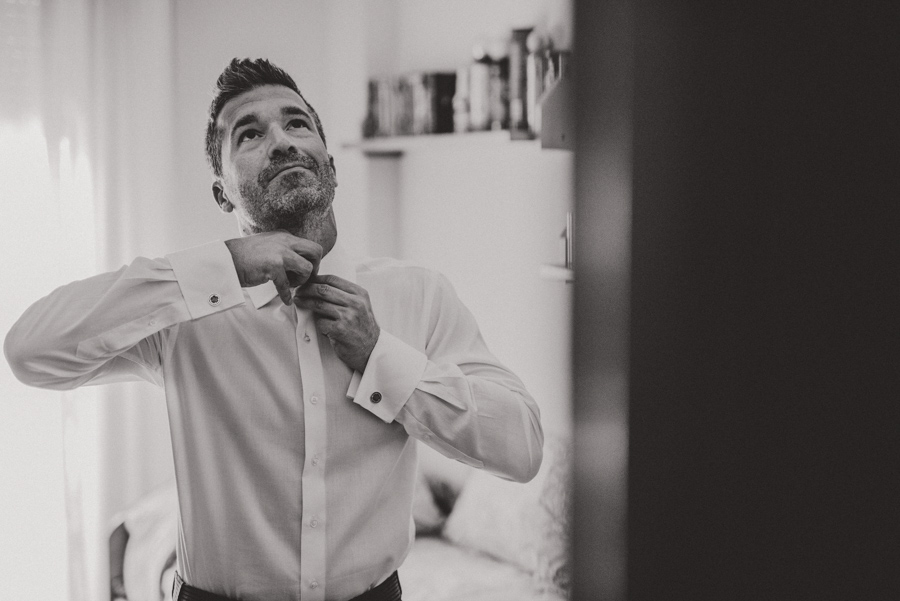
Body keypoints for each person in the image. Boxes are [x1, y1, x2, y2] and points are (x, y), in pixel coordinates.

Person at [4, 58, 543, 601]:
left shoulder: (418, 294)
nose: (282, 142)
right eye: (250, 134)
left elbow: (521, 449)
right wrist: (223, 265)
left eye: (296, 123)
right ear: (223, 194)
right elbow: (29, 351)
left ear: (330, 166)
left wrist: (380, 356)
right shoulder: (182, 313)